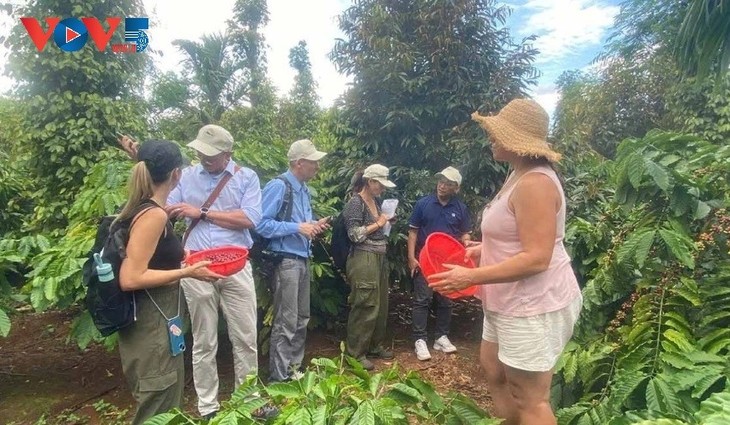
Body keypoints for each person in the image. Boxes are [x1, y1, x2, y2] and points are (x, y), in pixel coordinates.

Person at [429, 99, 582, 425]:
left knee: (530, 398)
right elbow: (518, 236)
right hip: (507, 298)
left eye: (499, 133)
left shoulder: (535, 183)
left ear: (519, 142)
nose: (492, 138)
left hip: (533, 303)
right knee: (494, 370)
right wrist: (484, 249)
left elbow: (538, 258)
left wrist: (471, 277)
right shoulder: (517, 174)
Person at [116, 140, 223, 425]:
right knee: (158, 407)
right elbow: (130, 278)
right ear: (176, 174)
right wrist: (187, 272)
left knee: (165, 402)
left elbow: (150, 257)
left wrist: (179, 256)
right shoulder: (153, 214)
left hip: (159, 322)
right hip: (150, 325)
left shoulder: (146, 207)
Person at [165, 124, 263, 420]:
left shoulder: (246, 177)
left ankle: (249, 399)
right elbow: (166, 207)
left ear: (228, 153)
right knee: (204, 339)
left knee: (245, 337)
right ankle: (207, 406)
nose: (203, 157)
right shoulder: (186, 176)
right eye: (200, 152)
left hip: (235, 265)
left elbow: (250, 218)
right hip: (195, 265)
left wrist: (202, 212)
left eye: (212, 154)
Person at [255, 139, 330, 382]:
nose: (317, 166)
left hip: (302, 259)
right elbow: (260, 224)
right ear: (299, 163)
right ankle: (278, 377)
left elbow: (301, 226)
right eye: (313, 162)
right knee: (286, 321)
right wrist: (298, 227)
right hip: (285, 260)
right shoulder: (279, 186)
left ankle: (293, 370)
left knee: (301, 317)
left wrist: (312, 226)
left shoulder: (304, 190)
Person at [408, 166, 471, 361]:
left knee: (446, 300)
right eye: (441, 181)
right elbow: (413, 232)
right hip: (425, 260)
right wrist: (411, 258)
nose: (442, 186)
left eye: (448, 184)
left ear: (456, 188)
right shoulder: (423, 204)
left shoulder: (460, 208)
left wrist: (467, 243)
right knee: (422, 300)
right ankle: (420, 340)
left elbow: (464, 233)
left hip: (448, 263)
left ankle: (441, 337)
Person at [343, 164, 397, 370]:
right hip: (363, 257)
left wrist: (387, 221)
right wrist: (380, 223)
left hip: (379, 257)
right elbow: (354, 234)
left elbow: (380, 227)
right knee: (365, 303)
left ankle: (374, 345)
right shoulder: (355, 203)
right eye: (379, 184)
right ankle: (356, 353)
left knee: (381, 303)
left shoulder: (376, 201)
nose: (382, 189)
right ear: (370, 181)